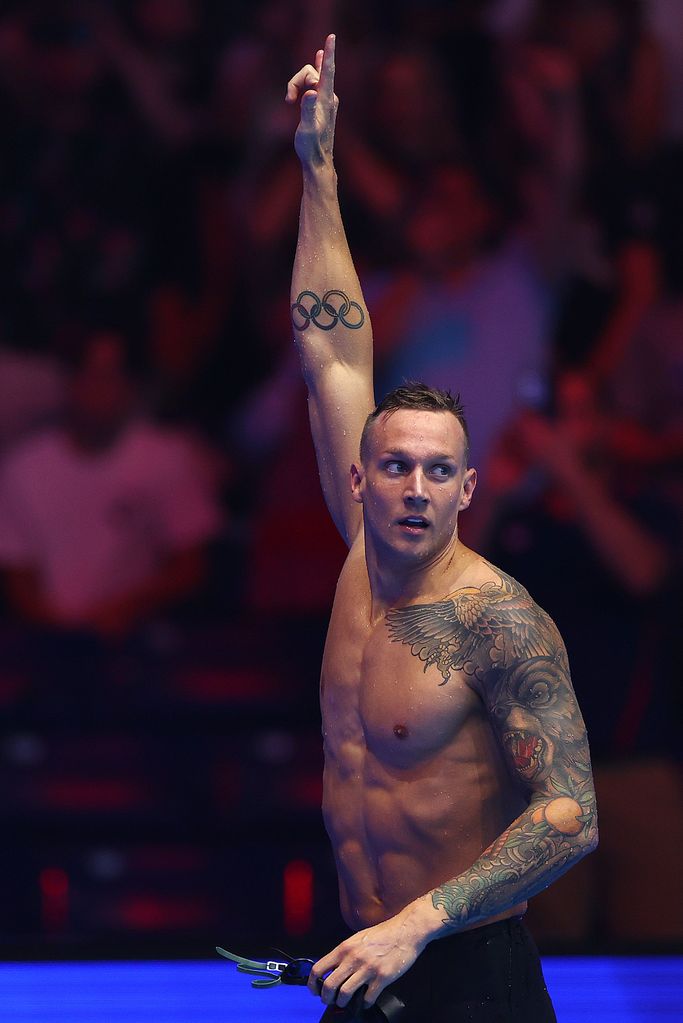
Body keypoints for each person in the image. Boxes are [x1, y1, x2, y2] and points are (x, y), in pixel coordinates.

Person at [285, 36, 597, 1022]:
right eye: (394, 465)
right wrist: (318, 169)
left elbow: (569, 814)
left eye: (436, 470)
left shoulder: (492, 618)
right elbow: (332, 349)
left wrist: (416, 922)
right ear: (358, 478)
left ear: (465, 491)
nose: (413, 486)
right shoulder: (353, 565)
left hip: (466, 970)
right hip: (361, 966)